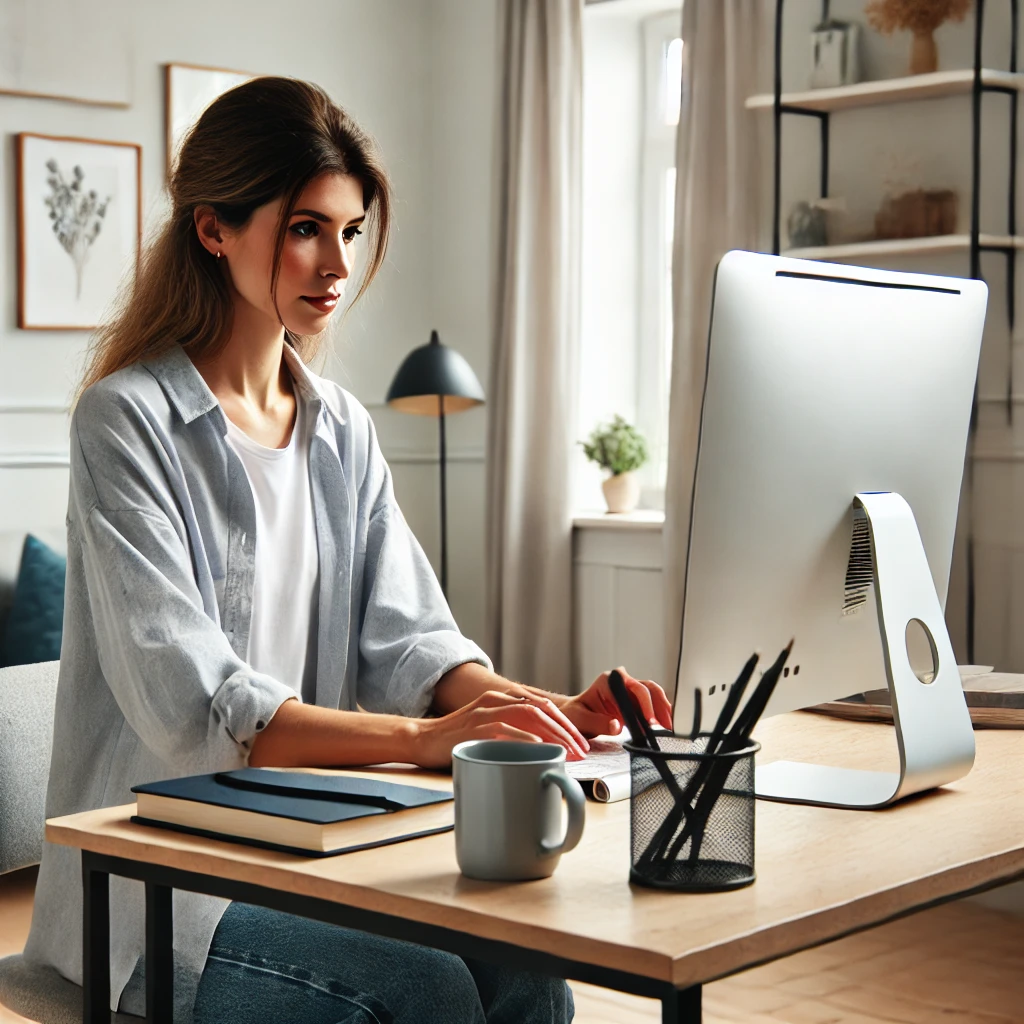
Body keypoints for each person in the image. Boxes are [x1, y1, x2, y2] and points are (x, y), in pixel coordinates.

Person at [24, 77, 673, 1024]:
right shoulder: (125, 423)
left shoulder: (341, 430)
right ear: (213, 229)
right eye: (305, 229)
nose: (336, 264)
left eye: (351, 231)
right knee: (423, 991)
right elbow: (194, 704)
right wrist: (424, 741)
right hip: (161, 891)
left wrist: (544, 713)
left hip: (309, 845)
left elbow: (413, 646)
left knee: (532, 978)